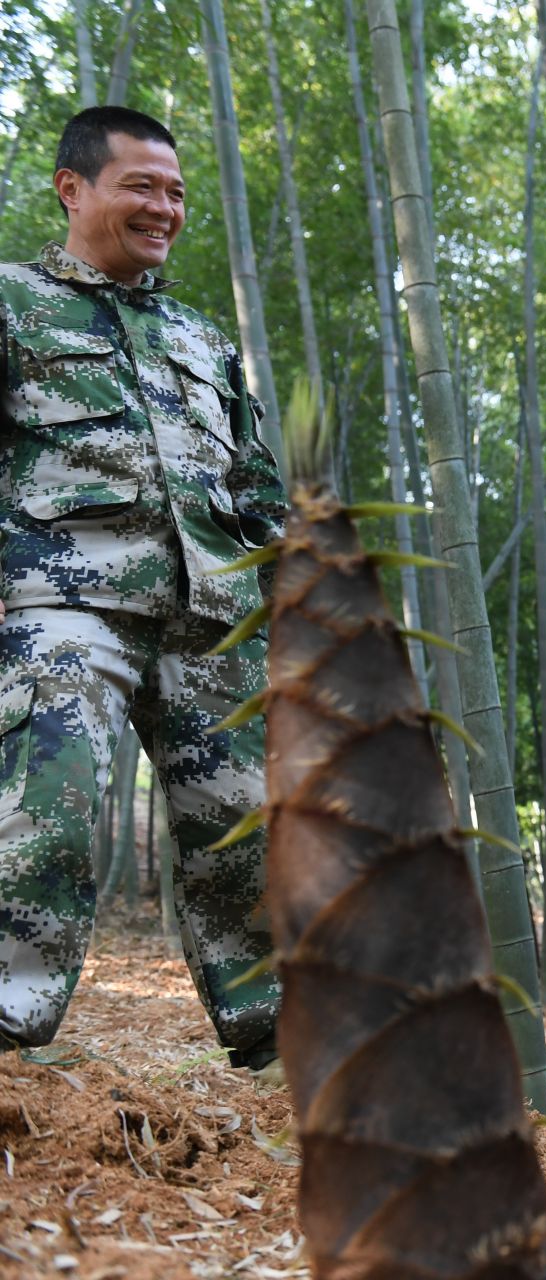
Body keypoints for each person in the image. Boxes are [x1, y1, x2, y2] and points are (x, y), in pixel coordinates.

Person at [0, 107, 283, 1077]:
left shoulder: (202, 337)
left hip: (213, 613)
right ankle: (7, 1024)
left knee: (251, 824)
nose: (164, 208)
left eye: (176, 192)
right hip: (62, 600)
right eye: (142, 186)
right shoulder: (13, 303)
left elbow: (256, 484)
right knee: (51, 803)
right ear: (72, 188)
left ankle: (283, 1040)